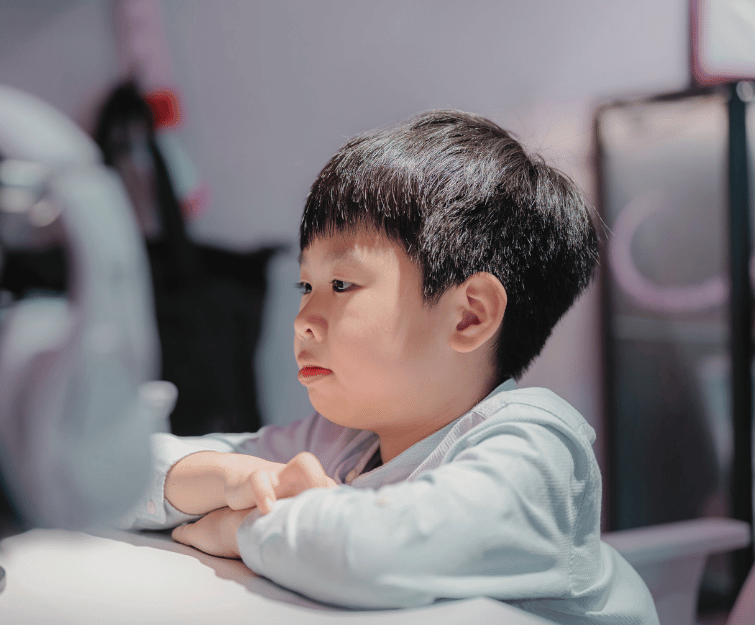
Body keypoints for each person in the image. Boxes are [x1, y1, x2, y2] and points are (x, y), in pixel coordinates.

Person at [119, 110, 659, 624]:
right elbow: (119, 477)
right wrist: (230, 476)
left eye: (342, 286)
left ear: (469, 316)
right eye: (305, 286)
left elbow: (366, 555)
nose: (303, 320)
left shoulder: (538, 444)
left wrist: (240, 527)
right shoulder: (342, 442)